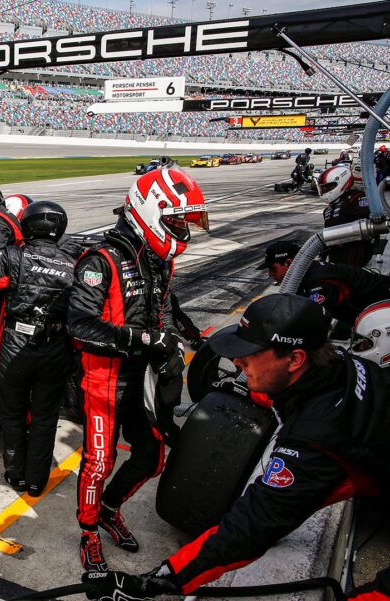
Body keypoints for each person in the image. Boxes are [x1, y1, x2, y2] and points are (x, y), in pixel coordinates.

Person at [81, 294, 389, 601]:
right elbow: (285, 393)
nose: (238, 362)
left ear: (295, 359)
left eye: (249, 353)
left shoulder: (317, 439)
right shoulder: (339, 365)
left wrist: (158, 581)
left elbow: (251, 528)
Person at [68, 166, 209, 572]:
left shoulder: (158, 259)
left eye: (185, 221)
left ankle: (109, 509)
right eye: (177, 221)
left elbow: (163, 311)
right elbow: (79, 326)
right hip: (103, 378)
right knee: (99, 462)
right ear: (150, 212)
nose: (183, 229)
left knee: (151, 457)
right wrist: (146, 339)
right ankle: (88, 532)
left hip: (142, 378)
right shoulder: (100, 261)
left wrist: (171, 343)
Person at [0, 201, 75, 496]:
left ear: (28, 225)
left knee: (12, 414)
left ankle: (16, 475)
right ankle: (36, 482)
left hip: (15, 347)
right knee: (45, 418)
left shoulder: (13, 257)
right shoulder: (73, 263)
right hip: (55, 348)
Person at [259, 240, 390, 331]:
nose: (270, 274)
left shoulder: (317, 281)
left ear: (288, 263)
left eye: (272, 269)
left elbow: (324, 323)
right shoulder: (307, 272)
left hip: (381, 308)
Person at [317, 165, 377, 267]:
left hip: (356, 259)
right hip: (336, 259)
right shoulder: (327, 210)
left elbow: (366, 230)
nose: (325, 191)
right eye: (323, 188)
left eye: (328, 187)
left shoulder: (357, 198)